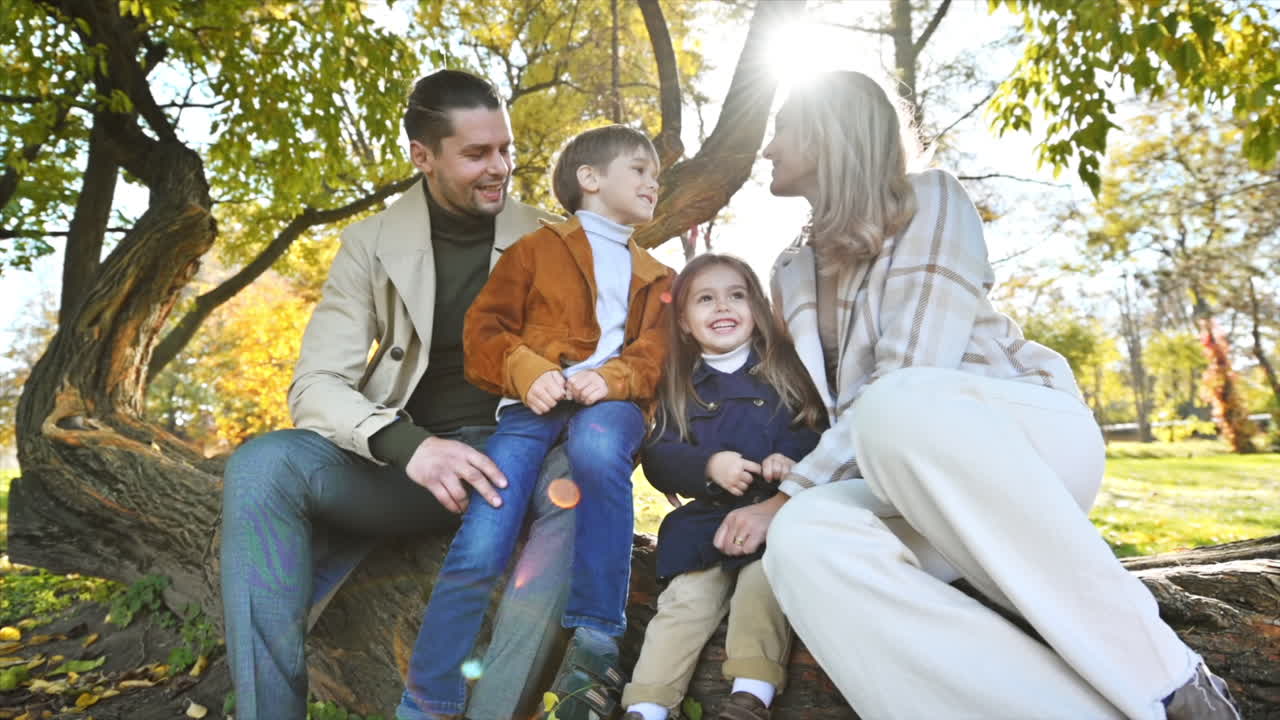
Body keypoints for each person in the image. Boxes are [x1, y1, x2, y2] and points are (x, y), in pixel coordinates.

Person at [732, 71, 1241, 720]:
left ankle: (1175, 688)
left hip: (1019, 442)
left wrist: (788, 491)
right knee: (805, 539)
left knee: (897, 407)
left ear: (831, 131)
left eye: (783, 130)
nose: (768, 149)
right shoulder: (790, 269)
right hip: (896, 475)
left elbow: (910, 369)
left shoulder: (929, 201)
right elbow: (808, 404)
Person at [220, 69, 577, 720]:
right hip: (408, 473)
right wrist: (408, 446)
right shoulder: (367, 244)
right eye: (477, 154)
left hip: (518, 464)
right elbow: (317, 383)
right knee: (261, 466)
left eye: (506, 149)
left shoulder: (556, 241)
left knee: (580, 482)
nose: (499, 168)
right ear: (422, 156)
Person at [396, 124, 675, 720]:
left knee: (599, 453)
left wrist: (614, 379)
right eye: (640, 170)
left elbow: (658, 353)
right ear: (591, 179)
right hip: (530, 407)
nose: (655, 182)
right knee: (484, 533)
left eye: (656, 175)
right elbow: (484, 332)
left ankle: (598, 634)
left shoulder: (660, 276)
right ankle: (427, 699)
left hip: (611, 406)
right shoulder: (535, 251)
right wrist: (528, 370)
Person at [619, 254, 826, 720]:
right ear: (686, 322)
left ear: (756, 307)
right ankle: (649, 704)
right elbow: (660, 459)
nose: (722, 307)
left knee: (763, 583)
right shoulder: (681, 385)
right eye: (705, 299)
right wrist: (708, 465)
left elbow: (815, 427)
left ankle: (751, 694)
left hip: (777, 512)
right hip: (706, 520)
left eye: (736, 295)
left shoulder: (786, 369)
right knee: (683, 601)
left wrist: (788, 459)